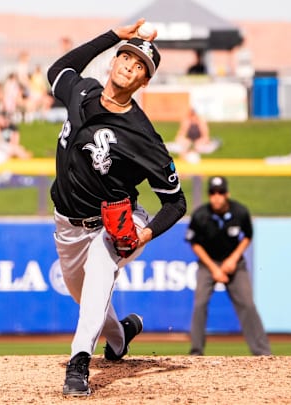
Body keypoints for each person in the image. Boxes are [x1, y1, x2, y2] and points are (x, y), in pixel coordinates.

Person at [47, 19, 187, 396]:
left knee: (98, 278)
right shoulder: (82, 93)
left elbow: (176, 202)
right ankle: (120, 336)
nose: (130, 65)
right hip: (67, 225)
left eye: (140, 65)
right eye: (127, 57)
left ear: (144, 82)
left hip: (114, 223)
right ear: (113, 61)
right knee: (85, 295)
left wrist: (144, 233)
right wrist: (115, 36)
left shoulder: (142, 136)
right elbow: (57, 70)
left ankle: (79, 364)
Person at [185, 176, 271, 357]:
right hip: (208, 263)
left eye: (220, 193)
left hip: (235, 263)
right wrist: (215, 268)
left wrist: (233, 259)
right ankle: (196, 352)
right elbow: (194, 243)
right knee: (200, 304)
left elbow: (247, 236)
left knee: (247, 304)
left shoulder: (240, 212)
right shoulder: (201, 214)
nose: (217, 197)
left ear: (227, 194)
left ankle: (262, 352)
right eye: (213, 193)